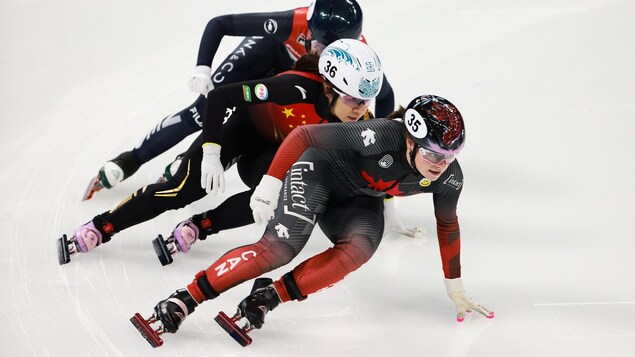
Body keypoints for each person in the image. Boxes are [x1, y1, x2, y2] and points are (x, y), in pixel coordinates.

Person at [131, 94, 493, 347]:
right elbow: (303, 135)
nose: (441, 164)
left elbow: (447, 224)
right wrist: (271, 184)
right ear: (410, 141)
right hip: (319, 170)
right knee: (279, 249)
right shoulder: (379, 134)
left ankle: (267, 297)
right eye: (433, 153)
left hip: (356, 200)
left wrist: (455, 287)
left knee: (361, 248)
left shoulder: (448, 176)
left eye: (451, 155)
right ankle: (183, 300)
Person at [57, 39, 385, 265]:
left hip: (272, 152)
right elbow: (220, 97)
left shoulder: (357, 119)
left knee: (281, 196)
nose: (360, 109)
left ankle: (201, 225)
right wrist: (212, 151)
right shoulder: (296, 87)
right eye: (355, 100)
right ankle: (101, 227)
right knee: (181, 190)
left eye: (366, 101)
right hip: (239, 131)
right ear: (329, 87)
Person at [85, 0, 396, 199]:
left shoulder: (358, 60)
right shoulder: (292, 22)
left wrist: (379, 152)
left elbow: (385, 95)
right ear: (309, 27)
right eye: (314, 41)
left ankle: (185, 160)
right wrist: (203, 69)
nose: (316, 49)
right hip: (267, 53)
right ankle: (130, 160)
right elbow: (220, 24)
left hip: (294, 80)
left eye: (329, 47)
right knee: (203, 110)